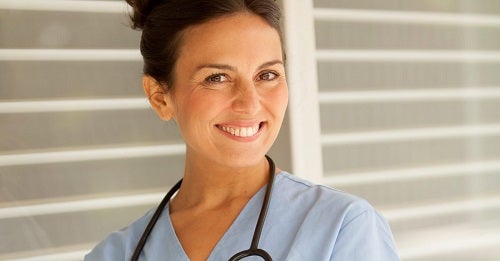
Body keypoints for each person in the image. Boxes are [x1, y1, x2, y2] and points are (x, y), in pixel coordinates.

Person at [85, 0, 400, 260]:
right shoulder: (116, 255)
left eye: (267, 75)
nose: (250, 104)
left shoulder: (343, 227)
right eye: (217, 78)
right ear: (159, 97)